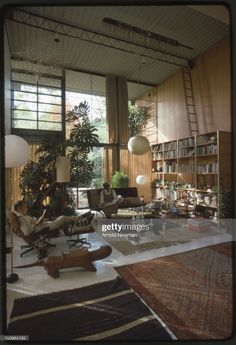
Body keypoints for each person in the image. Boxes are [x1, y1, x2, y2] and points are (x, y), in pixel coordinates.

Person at [13, 200, 93, 236]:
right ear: (19, 208)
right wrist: (35, 223)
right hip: (42, 228)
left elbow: (31, 224)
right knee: (63, 218)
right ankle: (82, 218)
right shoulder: (21, 218)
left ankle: (82, 219)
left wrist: (36, 221)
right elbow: (27, 232)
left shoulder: (23, 216)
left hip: (42, 225)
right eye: (25, 207)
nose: (27, 208)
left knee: (60, 218)